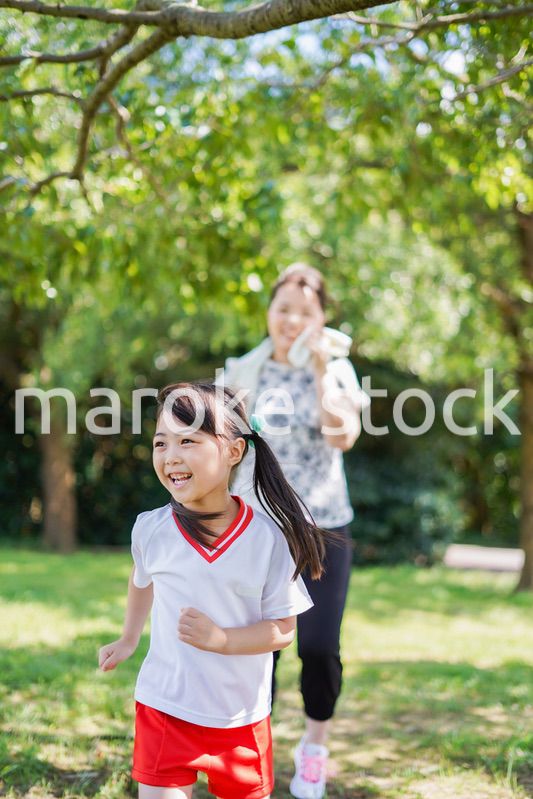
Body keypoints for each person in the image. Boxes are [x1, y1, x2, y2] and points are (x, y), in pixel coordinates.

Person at [98, 381, 328, 799]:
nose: (170, 456)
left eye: (188, 440)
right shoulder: (150, 529)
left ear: (233, 451)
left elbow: (282, 629)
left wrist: (222, 640)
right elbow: (141, 579)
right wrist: (129, 637)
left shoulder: (266, 540)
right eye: (160, 443)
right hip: (165, 708)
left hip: (241, 721)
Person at [218, 264, 369, 799]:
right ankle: (251, 752)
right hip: (259, 529)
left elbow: (342, 435)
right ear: (269, 313)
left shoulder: (340, 371)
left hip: (324, 527)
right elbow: (220, 449)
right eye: (283, 309)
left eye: (305, 312)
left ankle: (314, 748)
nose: (292, 320)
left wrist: (322, 367)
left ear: (322, 317)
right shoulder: (241, 372)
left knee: (320, 647)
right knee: (263, 649)